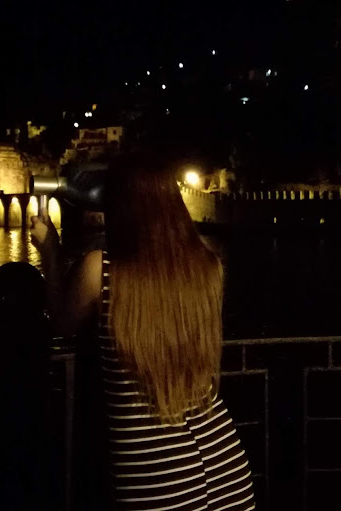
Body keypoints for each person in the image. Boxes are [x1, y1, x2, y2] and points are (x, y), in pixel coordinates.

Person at [30, 152, 255, 511]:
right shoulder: (207, 267)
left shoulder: (101, 271)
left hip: (157, 473)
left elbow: (62, 322)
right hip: (226, 465)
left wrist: (51, 253)